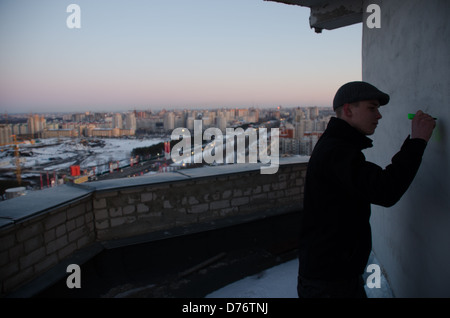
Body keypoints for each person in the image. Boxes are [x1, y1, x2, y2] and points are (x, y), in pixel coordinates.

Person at [297, 81, 436, 298]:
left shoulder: (337, 145)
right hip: (330, 282)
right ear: (348, 110)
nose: (379, 115)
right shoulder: (336, 151)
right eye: (372, 108)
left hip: (333, 274)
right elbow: (385, 189)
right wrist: (417, 142)